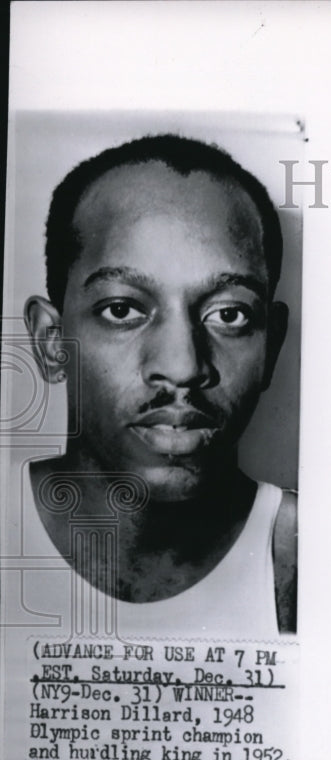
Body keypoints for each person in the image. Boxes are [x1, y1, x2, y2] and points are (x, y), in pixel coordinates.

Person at [23, 134, 297, 637]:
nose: (183, 366)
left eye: (229, 314)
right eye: (122, 310)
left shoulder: (317, 556)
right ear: (51, 341)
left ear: (271, 347)